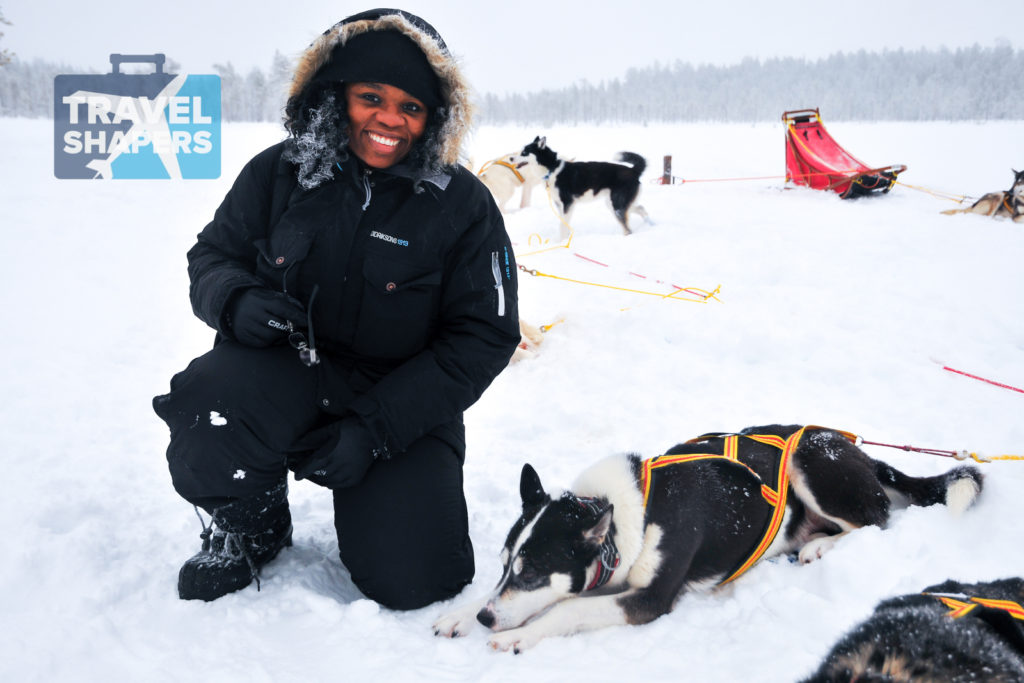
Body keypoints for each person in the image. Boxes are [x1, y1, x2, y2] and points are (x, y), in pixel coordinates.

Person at [153, 8, 520, 610]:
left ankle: (383, 496)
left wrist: (375, 431)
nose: (388, 120)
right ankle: (254, 521)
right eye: (370, 96)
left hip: (398, 398)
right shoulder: (279, 172)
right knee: (207, 405)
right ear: (334, 95)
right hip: (284, 371)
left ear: (435, 119)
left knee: (417, 581)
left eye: (411, 106)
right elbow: (213, 255)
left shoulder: (464, 206)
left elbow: (482, 337)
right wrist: (234, 299)